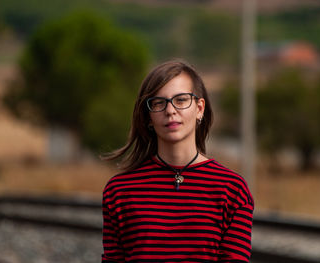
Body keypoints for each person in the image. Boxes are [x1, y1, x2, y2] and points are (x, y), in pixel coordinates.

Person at [101, 60, 254, 262]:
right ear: (148, 117)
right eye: (158, 103)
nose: (170, 110)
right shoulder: (119, 191)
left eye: (181, 100)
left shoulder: (232, 189)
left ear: (199, 109)